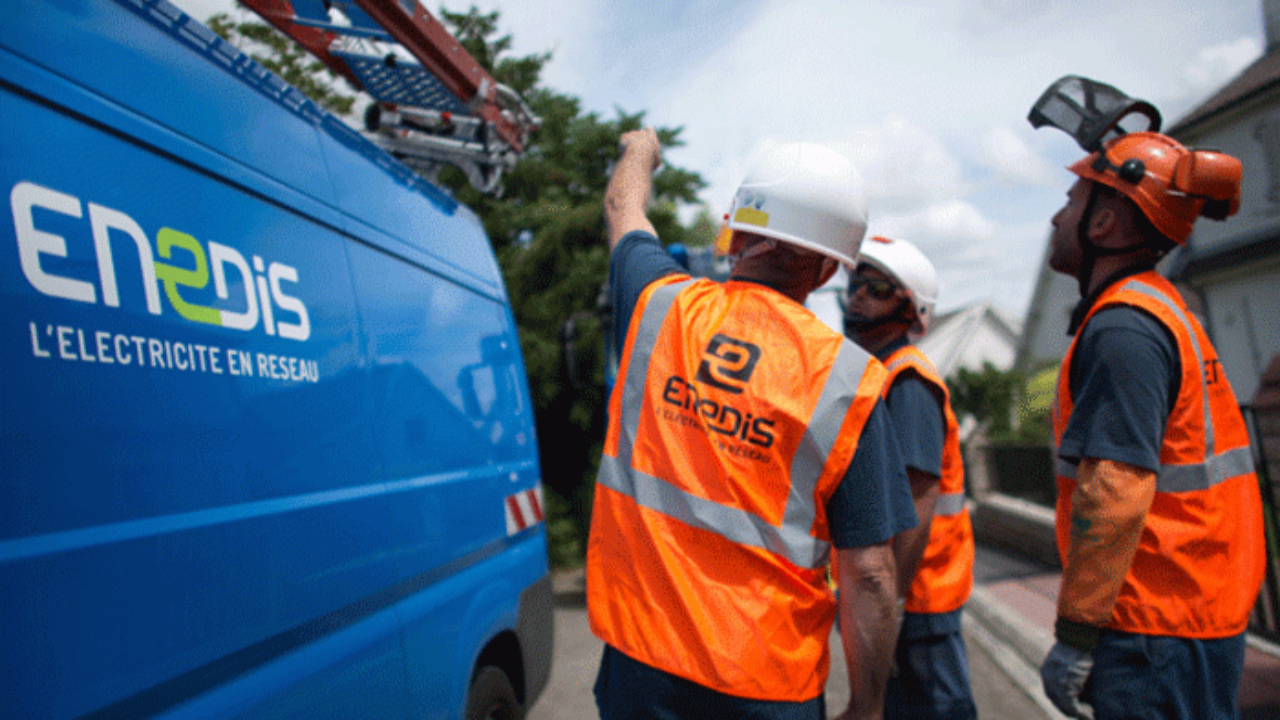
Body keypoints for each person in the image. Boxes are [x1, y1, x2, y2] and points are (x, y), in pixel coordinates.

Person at [587, 127, 917, 720]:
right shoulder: (851, 381)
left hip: (641, 664)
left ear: (737, 234)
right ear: (825, 272)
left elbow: (622, 205)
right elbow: (869, 573)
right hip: (767, 687)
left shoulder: (659, 307)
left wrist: (641, 150)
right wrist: (867, 704)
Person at [1037, 130, 1267, 719]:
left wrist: (1077, 635)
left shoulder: (1123, 328)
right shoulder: (1158, 308)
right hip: (1187, 613)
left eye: (1071, 201)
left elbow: (1113, 489)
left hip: (1153, 626)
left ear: (1103, 225)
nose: (1057, 217)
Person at [841, 236, 976, 720]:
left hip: (919, 599)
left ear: (912, 309)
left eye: (876, 287)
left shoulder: (908, 381)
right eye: (855, 283)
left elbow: (918, 500)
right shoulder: (880, 374)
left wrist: (890, 605)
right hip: (907, 596)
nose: (858, 294)